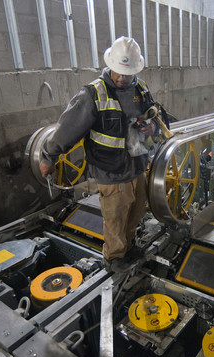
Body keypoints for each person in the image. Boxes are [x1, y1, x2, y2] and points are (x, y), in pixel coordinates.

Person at [39, 36, 159, 268]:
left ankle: (129, 248)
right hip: (111, 173)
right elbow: (67, 130)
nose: (122, 79)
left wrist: (151, 126)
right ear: (110, 65)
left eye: (128, 74)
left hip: (137, 168)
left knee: (134, 217)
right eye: (118, 72)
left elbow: (153, 117)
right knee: (115, 223)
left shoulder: (141, 89)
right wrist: (48, 156)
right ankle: (114, 260)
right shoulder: (94, 94)